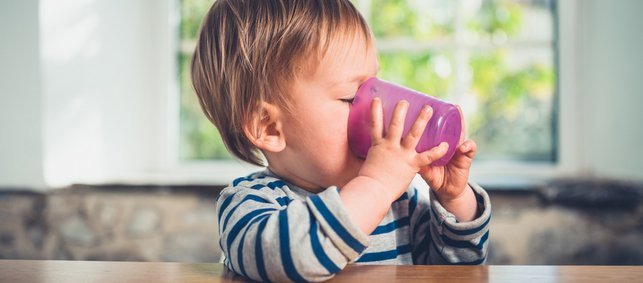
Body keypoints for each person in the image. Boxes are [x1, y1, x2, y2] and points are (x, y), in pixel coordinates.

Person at [191, 0, 491, 282]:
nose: (375, 110)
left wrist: (455, 200)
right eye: (351, 98)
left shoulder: (400, 202)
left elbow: (457, 270)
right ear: (269, 127)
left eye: (375, 88)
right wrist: (376, 186)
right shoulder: (248, 206)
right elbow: (295, 260)